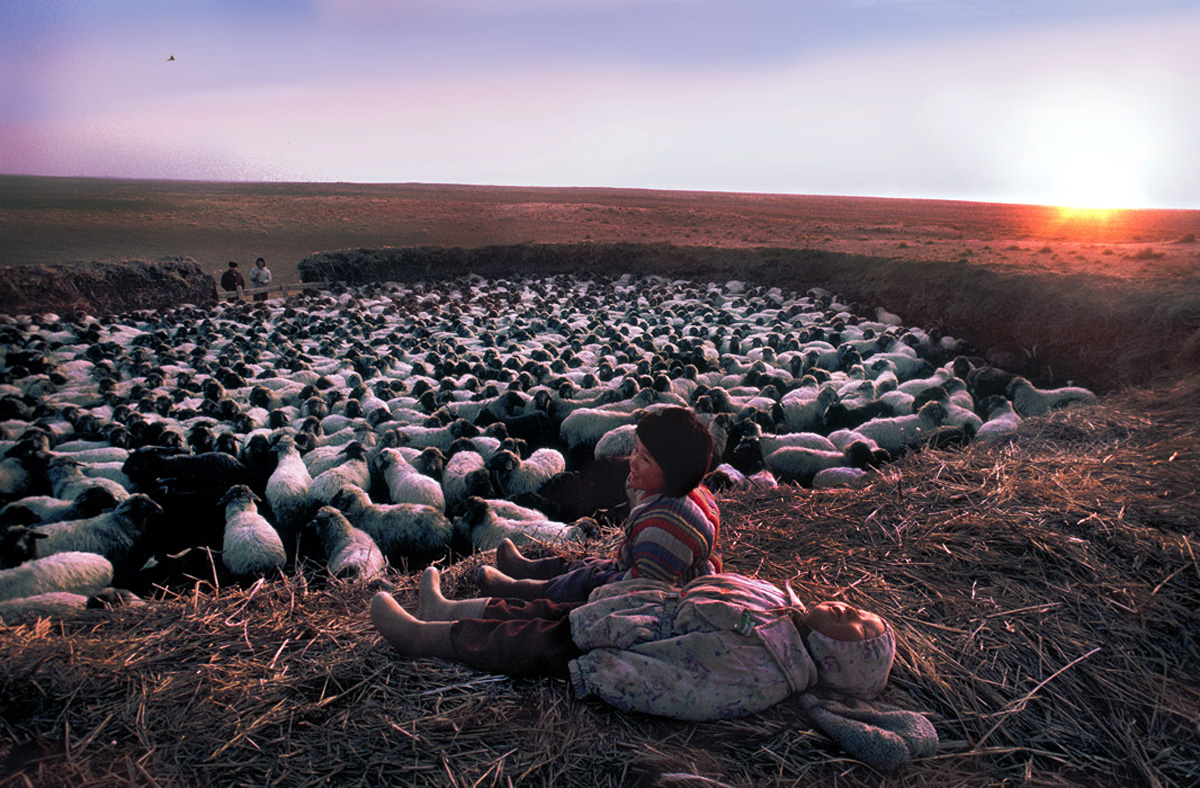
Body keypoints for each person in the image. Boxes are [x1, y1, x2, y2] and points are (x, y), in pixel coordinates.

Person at [372, 570, 938, 768]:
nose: (851, 609)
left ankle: (423, 639)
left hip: (615, 647)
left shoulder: (766, 670)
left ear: (834, 658)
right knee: (541, 609)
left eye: (859, 627)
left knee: (517, 643)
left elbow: (686, 688)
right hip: (629, 610)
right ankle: (445, 610)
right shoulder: (782, 609)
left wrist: (605, 675)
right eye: (863, 610)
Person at [477, 406, 721, 604]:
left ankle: (524, 590)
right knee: (589, 565)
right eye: (635, 450)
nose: (632, 461)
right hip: (640, 566)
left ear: (673, 473)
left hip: (655, 590)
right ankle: (531, 569)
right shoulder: (684, 494)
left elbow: (641, 590)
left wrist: (599, 584)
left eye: (645, 458)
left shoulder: (666, 532)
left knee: (584, 583)